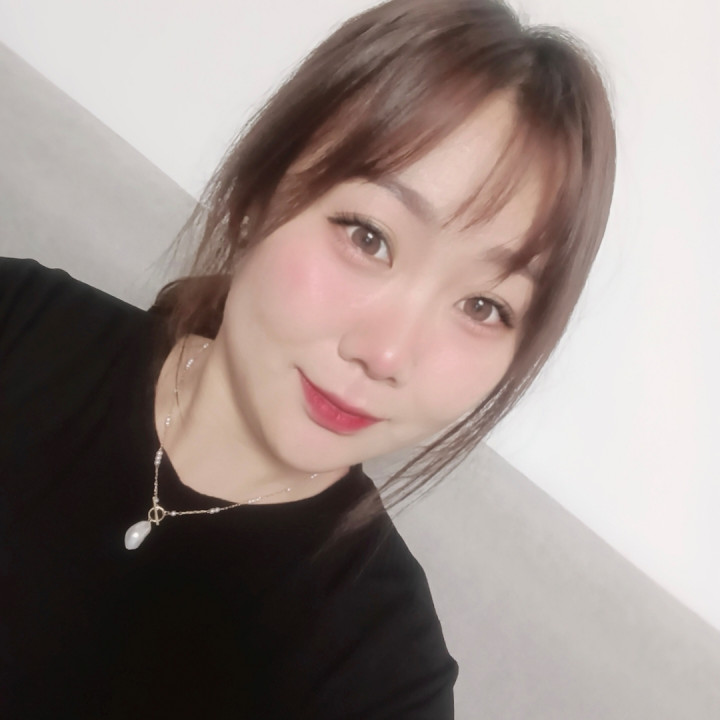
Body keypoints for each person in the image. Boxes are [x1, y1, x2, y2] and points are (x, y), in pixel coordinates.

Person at [0, 0, 615, 717]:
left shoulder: (382, 674)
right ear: (259, 196)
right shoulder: (18, 323)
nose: (387, 354)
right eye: (368, 237)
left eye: (484, 306)